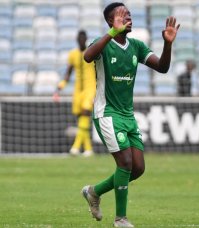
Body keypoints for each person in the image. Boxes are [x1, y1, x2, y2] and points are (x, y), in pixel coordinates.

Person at [80, 2, 179, 227]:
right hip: (107, 113)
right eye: (122, 16)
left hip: (127, 115)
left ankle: (94, 192)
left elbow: (162, 67)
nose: (129, 19)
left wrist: (167, 44)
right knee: (124, 163)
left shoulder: (136, 46)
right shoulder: (103, 43)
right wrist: (111, 33)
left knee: (138, 168)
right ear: (110, 22)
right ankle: (120, 219)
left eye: (129, 15)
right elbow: (87, 56)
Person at [53, 30, 96, 157]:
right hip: (78, 90)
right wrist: (60, 87)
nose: (81, 40)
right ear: (77, 40)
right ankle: (88, 149)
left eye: (83, 38)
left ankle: (75, 147)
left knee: (85, 112)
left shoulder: (92, 53)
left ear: (86, 39)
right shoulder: (73, 54)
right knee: (82, 119)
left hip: (90, 88)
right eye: (79, 38)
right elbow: (68, 73)